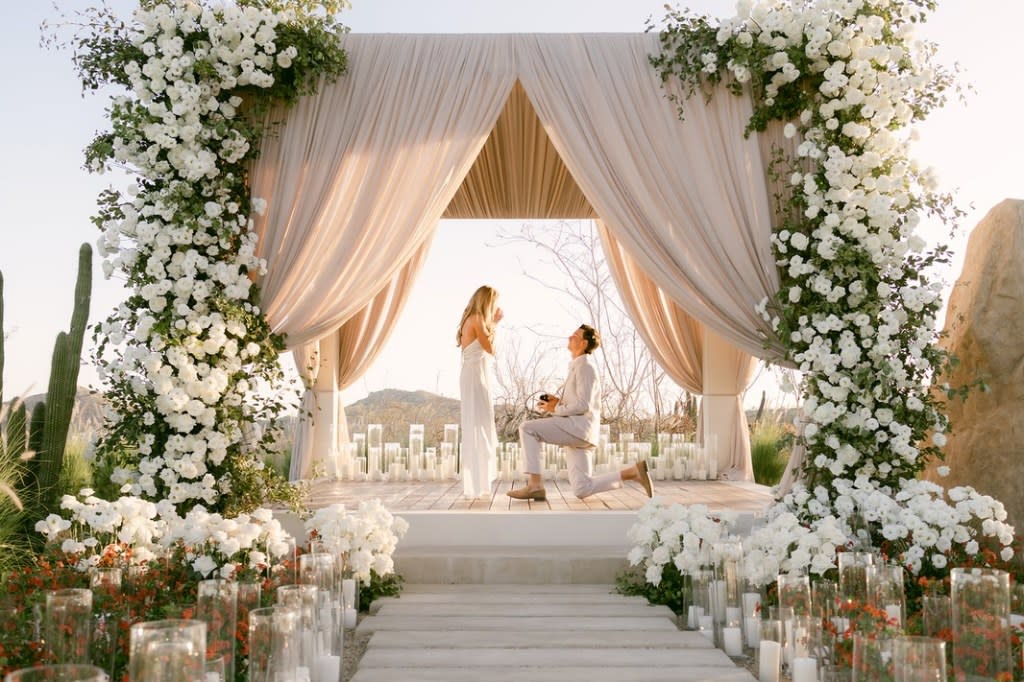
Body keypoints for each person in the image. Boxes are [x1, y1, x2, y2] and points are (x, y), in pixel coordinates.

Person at [508, 324, 653, 502]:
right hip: (581, 432)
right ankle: (633, 472)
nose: (570, 337)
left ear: (584, 343)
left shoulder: (586, 367)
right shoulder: (578, 367)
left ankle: (535, 485)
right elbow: (580, 402)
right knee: (582, 489)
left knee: (527, 428)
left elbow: (584, 405)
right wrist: (558, 403)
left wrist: (556, 409)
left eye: (575, 336)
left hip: (577, 428)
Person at [457, 285, 502, 499]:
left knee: (477, 426)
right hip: (476, 378)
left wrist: (491, 324)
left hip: (473, 375)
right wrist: (495, 324)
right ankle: (478, 483)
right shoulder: (477, 319)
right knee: (480, 425)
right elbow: (490, 348)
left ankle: (478, 483)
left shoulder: (472, 319)